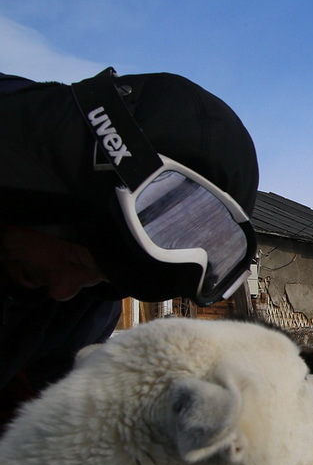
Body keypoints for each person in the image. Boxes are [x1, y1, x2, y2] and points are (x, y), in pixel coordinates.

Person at [1, 67, 259, 426]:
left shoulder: (83, 312)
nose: (63, 291)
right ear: (41, 193)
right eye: (76, 256)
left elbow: (32, 429)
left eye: (97, 279)